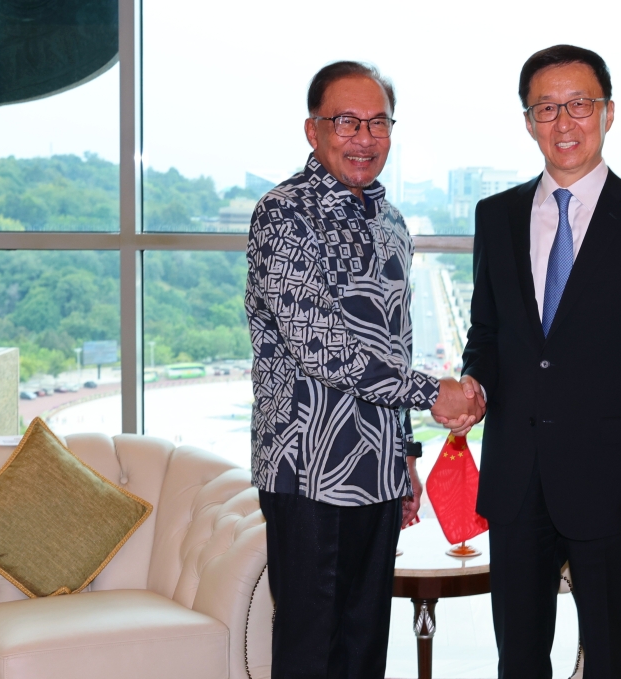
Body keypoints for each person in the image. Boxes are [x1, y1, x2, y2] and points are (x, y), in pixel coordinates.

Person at [454, 45, 621, 678]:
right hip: (515, 481)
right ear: (528, 121)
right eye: (547, 107)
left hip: (613, 490)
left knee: (613, 658)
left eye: (580, 104)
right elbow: (488, 335)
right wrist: (474, 385)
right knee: (520, 658)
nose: (565, 122)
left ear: (608, 113)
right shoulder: (496, 217)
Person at [244, 60, 482, 679]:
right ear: (312, 130)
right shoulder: (284, 215)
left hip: (375, 472)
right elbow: (319, 347)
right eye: (346, 121)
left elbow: (393, 345)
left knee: (363, 645)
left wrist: (402, 452)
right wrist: (435, 392)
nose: (364, 137)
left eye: (378, 122)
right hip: (307, 472)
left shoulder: (392, 223)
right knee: (308, 647)